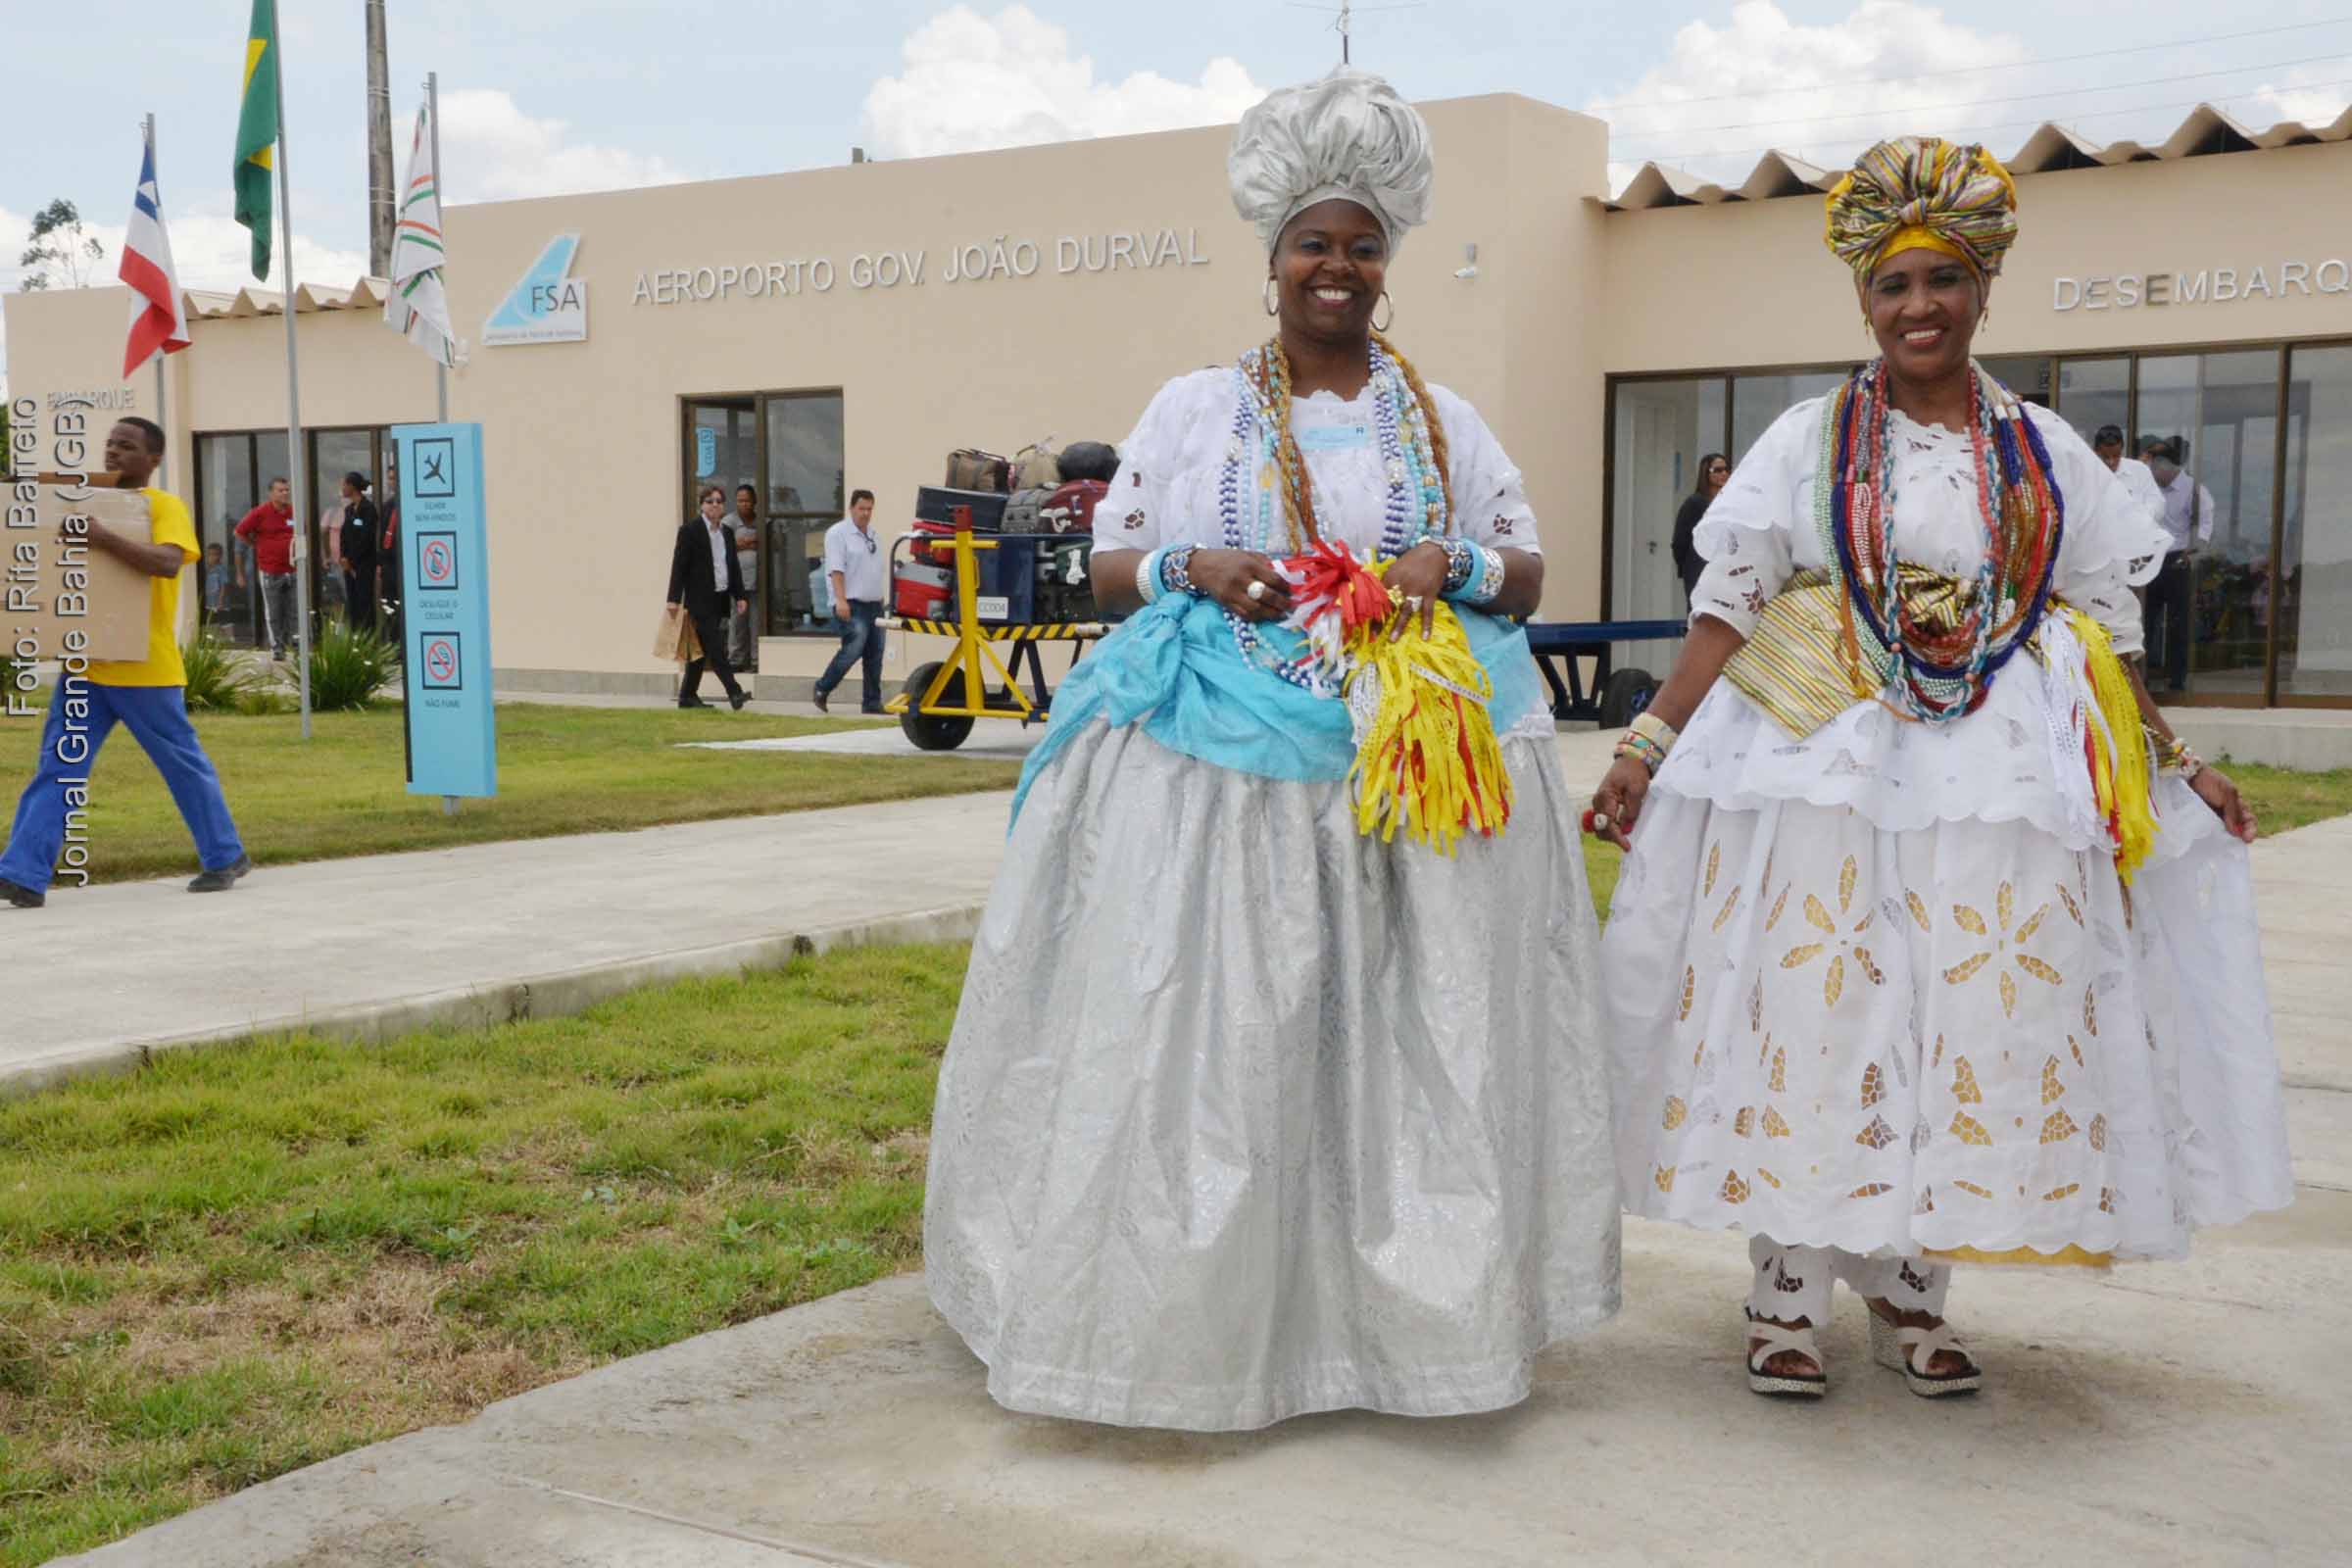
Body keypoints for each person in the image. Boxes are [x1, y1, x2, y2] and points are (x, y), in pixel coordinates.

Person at [923, 70, 1620, 1431]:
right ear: (1272, 256)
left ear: (1388, 263)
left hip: (1410, 756)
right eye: (1314, 243)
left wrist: (1449, 565)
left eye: (1361, 246)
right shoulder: (1195, 411)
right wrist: (1199, 563)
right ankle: (1211, 1324)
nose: (1336, 268)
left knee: (1404, 1038)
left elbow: (1527, 569)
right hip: (1221, 759)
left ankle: (1392, 1325)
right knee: (1231, 1029)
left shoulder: (1444, 418)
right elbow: (1107, 567)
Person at [1589, 137, 2291, 1403]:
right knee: (1823, 1003)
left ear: (1983, 289)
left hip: (1996, 769)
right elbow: (1729, 603)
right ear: (1864, 299)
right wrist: (1649, 745)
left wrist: (2177, 761)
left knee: (1967, 1009)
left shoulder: (2044, 451)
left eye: (1944, 280)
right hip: (1824, 758)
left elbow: (2104, 629)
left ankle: (1913, 1288)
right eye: (1895, 283)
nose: (1921, 306)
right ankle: (1788, 1288)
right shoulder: (1808, 441)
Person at [1, 418, 251, 908]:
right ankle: (22, 875)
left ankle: (225, 855)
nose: (113, 452)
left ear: (153, 459)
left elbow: (167, 562)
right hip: (86, 666)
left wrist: (102, 538)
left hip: (144, 668)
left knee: (181, 766)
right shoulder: (88, 501)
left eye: (127, 446)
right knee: (58, 768)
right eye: (110, 444)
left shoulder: (162, 506)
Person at [2140, 436, 2214, 694]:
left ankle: (2177, 679)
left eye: (2156, 468)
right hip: (2150, 557)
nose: (2153, 473)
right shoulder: (2149, 488)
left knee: (2178, 622)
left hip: (2177, 559)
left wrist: (2192, 553)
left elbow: (2205, 527)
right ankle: (2144, 674)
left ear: (2169, 467)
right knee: (2145, 620)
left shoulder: (2194, 491)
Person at [667, 484, 751, 710]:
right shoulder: (690, 531)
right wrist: (673, 598)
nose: (715, 505)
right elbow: (679, 566)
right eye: (710, 501)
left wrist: (740, 596)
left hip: (719, 598)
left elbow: (733, 567)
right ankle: (734, 692)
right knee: (715, 647)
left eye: (719, 501)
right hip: (699, 600)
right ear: (702, 505)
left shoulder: (727, 533)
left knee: (702, 649)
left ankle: (687, 696)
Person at [811, 489, 884, 713]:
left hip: (874, 604)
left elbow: (874, 569)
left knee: (875, 655)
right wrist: (840, 600)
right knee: (853, 648)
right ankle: (822, 687)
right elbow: (836, 570)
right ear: (851, 508)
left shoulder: (873, 534)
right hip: (851, 603)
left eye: (869, 509)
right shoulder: (838, 533)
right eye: (861, 508)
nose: (866, 513)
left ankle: (872, 702)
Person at [234, 476, 297, 659]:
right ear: (271, 493)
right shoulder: (260, 512)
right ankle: (277, 648)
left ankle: (297, 645)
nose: (285, 493)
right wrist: (254, 544)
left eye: (286, 490)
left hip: (292, 569)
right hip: (270, 570)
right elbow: (239, 532)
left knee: (294, 611)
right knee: (274, 611)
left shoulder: (293, 512)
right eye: (280, 490)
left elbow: (303, 529)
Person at [1672, 452, 1731, 604]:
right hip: (1699, 569)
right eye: (1717, 470)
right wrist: (1688, 567)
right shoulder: (1694, 503)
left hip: (1723, 569)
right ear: (1706, 473)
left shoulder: (1728, 502)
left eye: (1726, 469)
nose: (1724, 473)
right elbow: (1680, 541)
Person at [339, 472, 381, 636]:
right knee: (353, 603)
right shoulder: (349, 510)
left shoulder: (368, 509)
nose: (342, 488)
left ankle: (368, 638)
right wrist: (344, 558)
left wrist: (352, 559)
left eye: (344, 485)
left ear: (352, 486)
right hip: (348, 565)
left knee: (364, 603)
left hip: (364, 564)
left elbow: (366, 538)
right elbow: (344, 535)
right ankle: (355, 638)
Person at [729, 484, 760, 672]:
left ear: (754, 501)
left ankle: (756, 660)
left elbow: (772, 543)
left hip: (758, 582)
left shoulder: (761, 521)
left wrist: (742, 543)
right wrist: (752, 541)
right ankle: (736, 660)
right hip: (738, 582)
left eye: (747, 500)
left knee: (756, 622)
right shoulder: (729, 522)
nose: (744, 504)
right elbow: (726, 546)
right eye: (740, 501)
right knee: (738, 622)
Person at [378, 469, 403, 651]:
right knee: (390, 604)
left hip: (402, 563)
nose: (390, 482)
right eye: (389, 478)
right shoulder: (387, 506)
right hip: (388, 564)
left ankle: (402, 645)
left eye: (394, 478)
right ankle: (393, 644)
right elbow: (382, 534)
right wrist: (380, 562)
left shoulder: (408, 503)